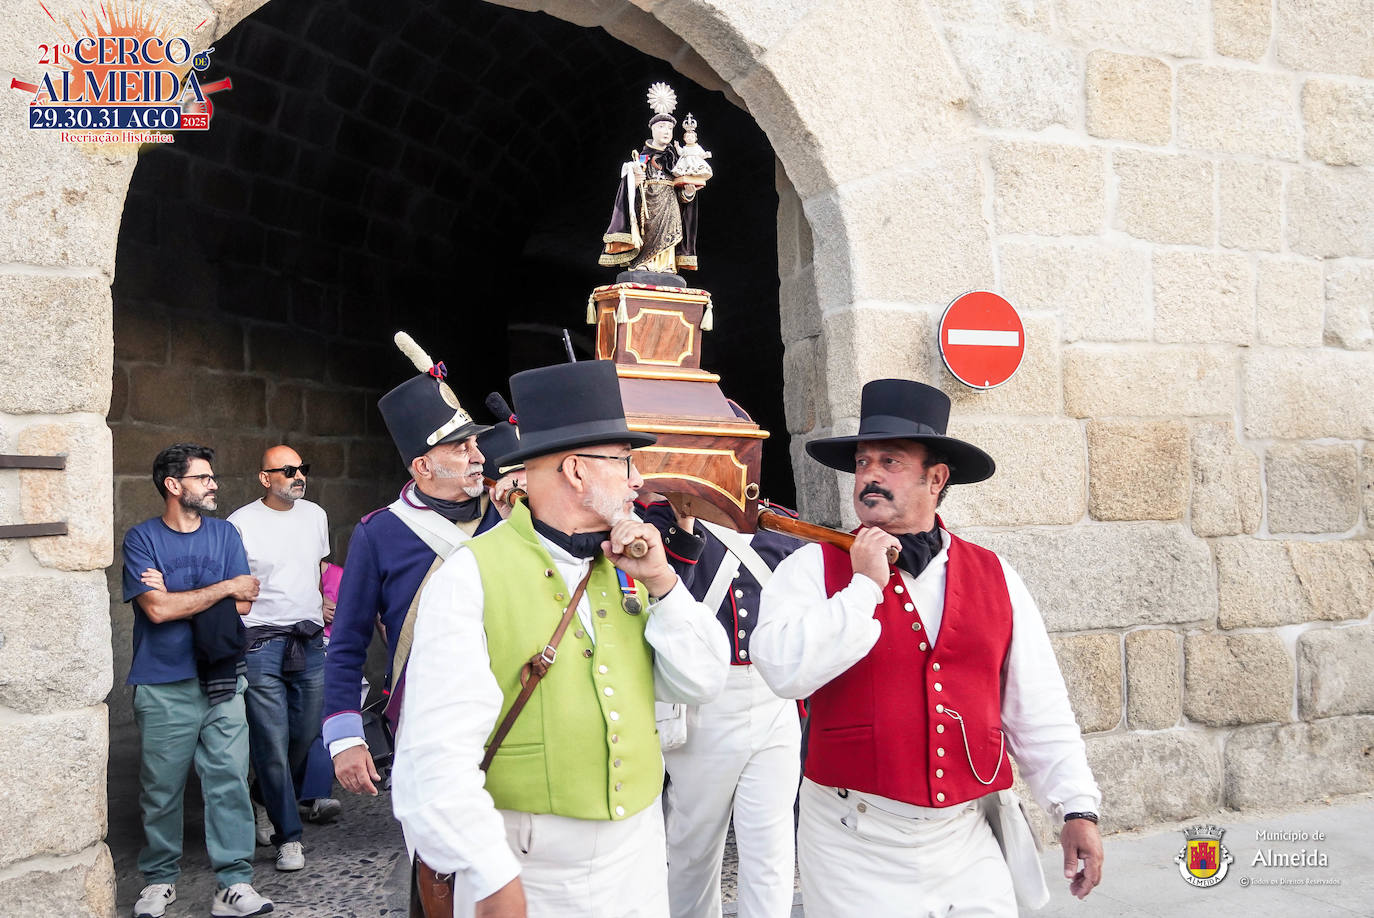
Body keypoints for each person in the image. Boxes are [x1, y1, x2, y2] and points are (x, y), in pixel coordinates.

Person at [752, 379, 1105, 918]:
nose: (869, 475)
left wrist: (1076, 808)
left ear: (935, 478)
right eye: (863, 462)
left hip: (967, 837)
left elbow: (1037, 706)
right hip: (853, 838)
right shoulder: (810, 567)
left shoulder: (996, 575)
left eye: (889, 461)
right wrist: (863, 588)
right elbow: (783, 670)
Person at [391, 358, 730, 918]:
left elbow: (704, 681)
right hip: (530, 871)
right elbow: (433, 756)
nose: (638, 480)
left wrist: (664, 583)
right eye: (624, 461)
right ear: (575, 471)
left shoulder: (634, 564)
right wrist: (493, 876)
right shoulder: (471, 576)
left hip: (641, 861)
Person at [322, 359, 502, 797]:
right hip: (428, 713)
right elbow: (347, 642)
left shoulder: (508, 513)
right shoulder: (378, 532)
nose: (479, 456)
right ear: (423, 466)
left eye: (475, 444)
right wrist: (345, 738)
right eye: (461, 448)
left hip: (515, 703)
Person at [121, 443, 274, 918]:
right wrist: (222, 588)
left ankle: (235, 884)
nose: (213, 485)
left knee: (229, 782)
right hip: (163, 683)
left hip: (224, 676)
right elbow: (156, 610)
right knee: (161, 789)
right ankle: (159, 879)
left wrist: (181, 595)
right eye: (203, 478)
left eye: (212, 477)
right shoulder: (142, 539)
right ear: (173, 485)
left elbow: (245, 602)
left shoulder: (224, 534)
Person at [639, 496, 803, 918]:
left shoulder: (782, 523)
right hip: (705, 698)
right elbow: (662, 595)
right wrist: (683, 521)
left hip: (772, 697)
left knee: (772, 849)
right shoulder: (664, 518)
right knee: (692, 847)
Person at [227, 445, 333, 872]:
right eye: (287, 470)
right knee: (271, 740)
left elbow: (316, 568)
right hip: (261, 643)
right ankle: (289, 837)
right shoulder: (241, 523)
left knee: (304, 734)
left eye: (301, 468)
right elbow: (235, 584)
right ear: (264, 478)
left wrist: (321, 602)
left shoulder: (316, 515)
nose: (297, 476)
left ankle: (262, 796)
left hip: (309, 639)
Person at [600, 86, 700, 276]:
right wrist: (634, 181)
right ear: (653, 129)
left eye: (670, 128)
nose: (666, 131)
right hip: (648, 205)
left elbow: (683, 192)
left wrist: (688, 193)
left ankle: (667, 265)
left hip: (670, 205)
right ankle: (643, 261)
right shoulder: (642, 158)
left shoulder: (676, 159)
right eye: (661, 127)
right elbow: (629, 187)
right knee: (647, 230)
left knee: (670, 231)